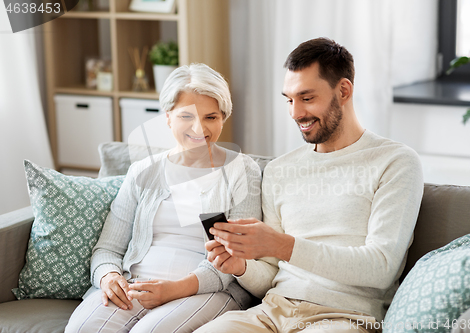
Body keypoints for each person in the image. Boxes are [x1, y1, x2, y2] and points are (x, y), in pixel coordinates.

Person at [196, 38, 424, 333]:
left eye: (307, 98)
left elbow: (381, 267)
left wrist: (282, 245)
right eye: (289, 99)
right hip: (271, 312)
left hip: (343, 318)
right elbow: (269, 276)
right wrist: (240, 266)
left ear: (343, 91)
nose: (295, 112)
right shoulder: (279, 170)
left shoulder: (395, 162)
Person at [65, 63, 262, 333]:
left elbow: (233, 260)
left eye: (211, 117)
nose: (199, 127)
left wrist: (172, 290)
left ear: (223, 118)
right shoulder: (142, 171)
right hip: (135, 284)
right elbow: (108, 249)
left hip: (207, 290)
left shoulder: (243, 171)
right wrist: (108, 276)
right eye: (186, 116)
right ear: (167, 116)